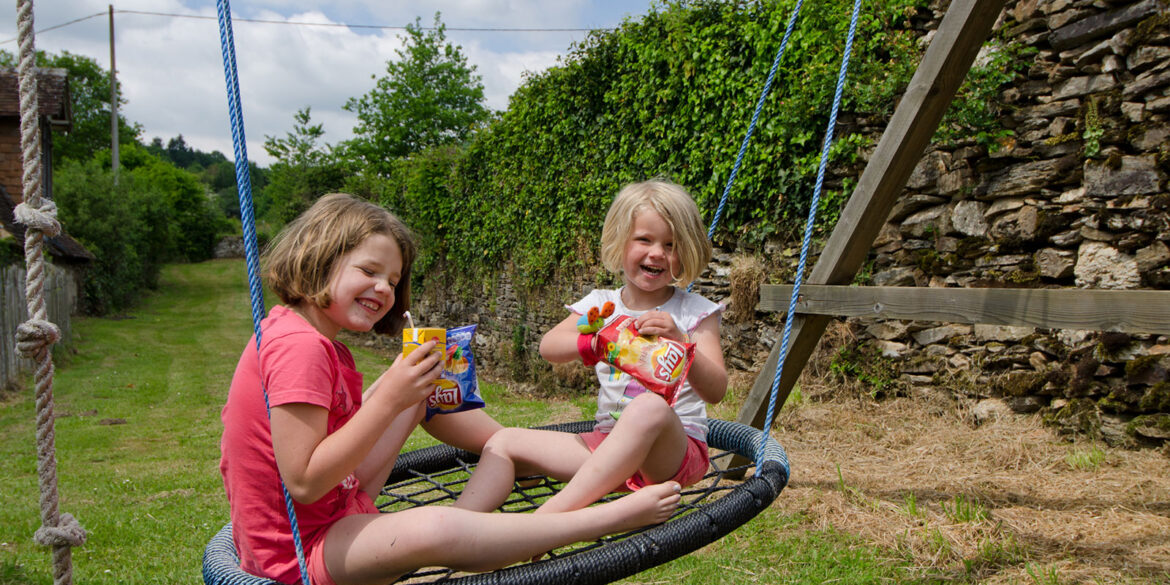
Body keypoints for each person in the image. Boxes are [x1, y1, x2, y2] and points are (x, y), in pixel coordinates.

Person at [219, 193, 681, 585]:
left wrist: (406, 390)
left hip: (335, 509)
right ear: (321, 259)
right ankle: (598, 519)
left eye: (393, 280)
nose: (383, 289)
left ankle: (518, 455)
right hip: (299, 552)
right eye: (369, 271)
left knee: (423, 391)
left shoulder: (315, 341)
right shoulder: (298, 347)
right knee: (435, 528)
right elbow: (304, 483)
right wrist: (390, 395)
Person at [456, 179, 726, 517]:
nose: (657, 252)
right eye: (644, 240)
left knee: (649, 408)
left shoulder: (694, 313)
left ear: (685, 252)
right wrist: (594, 342)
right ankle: (458, 526)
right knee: (503, 441)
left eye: (671, 245)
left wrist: (684, 345)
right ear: (620, 241)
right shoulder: (602, 307)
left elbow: (716, 390)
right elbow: (549, 346)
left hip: (672, 455)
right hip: (606, 448)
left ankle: (547, 521)